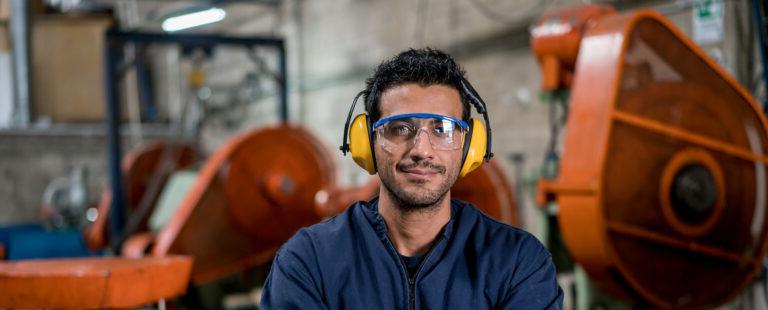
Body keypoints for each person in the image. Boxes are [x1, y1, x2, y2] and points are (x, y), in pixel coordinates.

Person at [261, 48, 563, 309]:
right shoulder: (309, 261)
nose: (421, 150)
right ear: (367, 142)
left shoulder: (517, 261)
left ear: (471, 146)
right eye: (400, 128)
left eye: (442, 129)